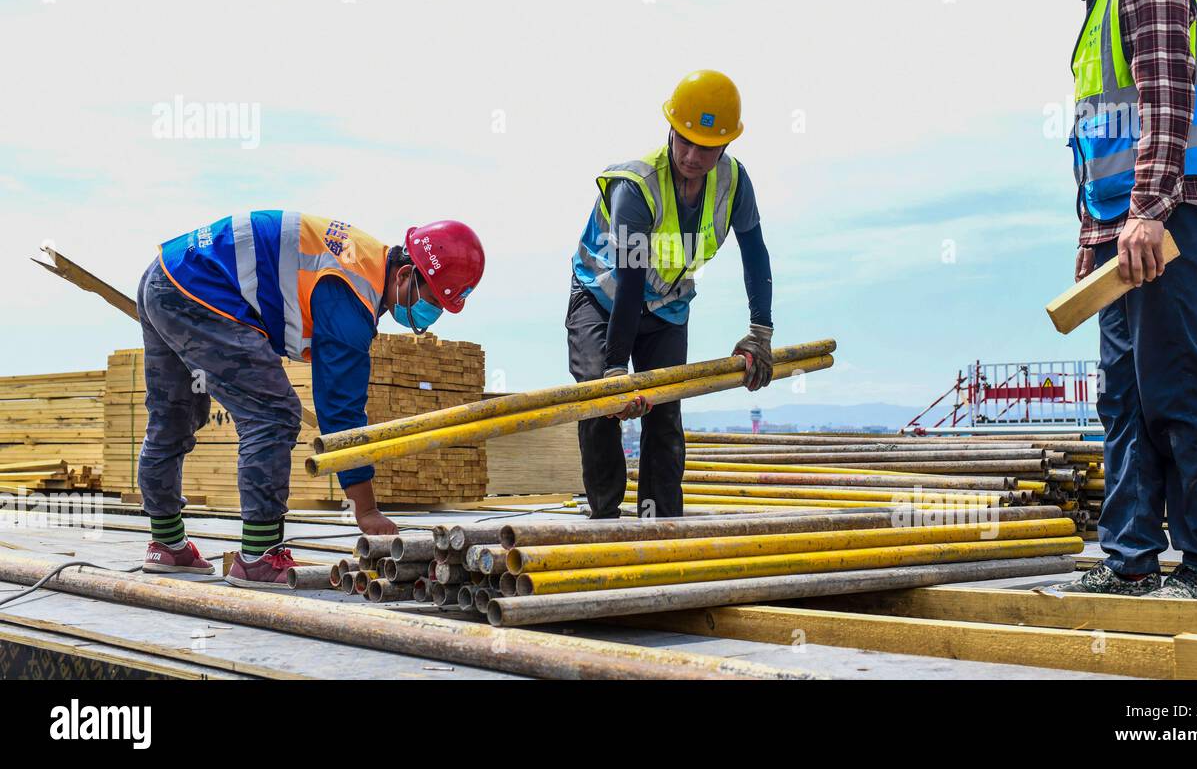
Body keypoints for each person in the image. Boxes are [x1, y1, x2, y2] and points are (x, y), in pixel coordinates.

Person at [1018, 0, 1197, 598]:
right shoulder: (1100, 2)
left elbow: (1166, 98)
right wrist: (1095, 239)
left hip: (1170, 219)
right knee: (1121, 397)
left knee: (1174, 387)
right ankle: (1130, 562)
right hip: (1128, 232)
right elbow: (1099, 139)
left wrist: (1147, 211)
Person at [135, 211, 484, 588]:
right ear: (404, 275)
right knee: (273, 415)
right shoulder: (352, 291)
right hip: (201, 287)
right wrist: (366, 511)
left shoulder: (359, 264)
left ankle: (167, 545)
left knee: (172, 415)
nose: (430, 317)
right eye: (430, 301)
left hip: (165, 275)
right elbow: (340, 410)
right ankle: (258, 555)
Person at [568, 70, 775, 519]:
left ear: (726, 146)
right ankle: (604, 520)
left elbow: (754, 253)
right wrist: (615, 369)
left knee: (663, 414)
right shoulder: (637, 186)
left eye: (706, 147)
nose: (692, 155)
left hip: (666, 306)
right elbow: (629, 279)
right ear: (671, 130)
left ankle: (658, 523)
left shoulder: (734, 184)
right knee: (600, 402)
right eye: (684, 141)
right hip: (602, 298)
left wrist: (761, 332)